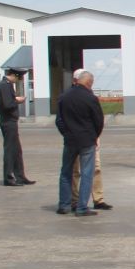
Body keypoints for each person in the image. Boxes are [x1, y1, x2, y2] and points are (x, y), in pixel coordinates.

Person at [55, 69, 104, 217]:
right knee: (87, 173)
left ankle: (64, 205)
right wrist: (94, 136)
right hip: (87, 140)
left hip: (70, 140)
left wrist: (66, 133)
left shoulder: (64, 97)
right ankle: (82, 207)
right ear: (89, 82)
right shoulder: (91, 98)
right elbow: (98, 121)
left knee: (66, 173)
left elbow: (59, 120)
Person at [0, 68, 34, 186]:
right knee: (10, 150)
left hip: (10, 121)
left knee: (16, 150)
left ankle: (20, 176)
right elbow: (7, 105)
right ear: (13, 75)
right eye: (18, 78)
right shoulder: (5, 86)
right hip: (8, 121)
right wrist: (17, 100)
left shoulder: (6, 85)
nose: (18, 80)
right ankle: (8, 178)